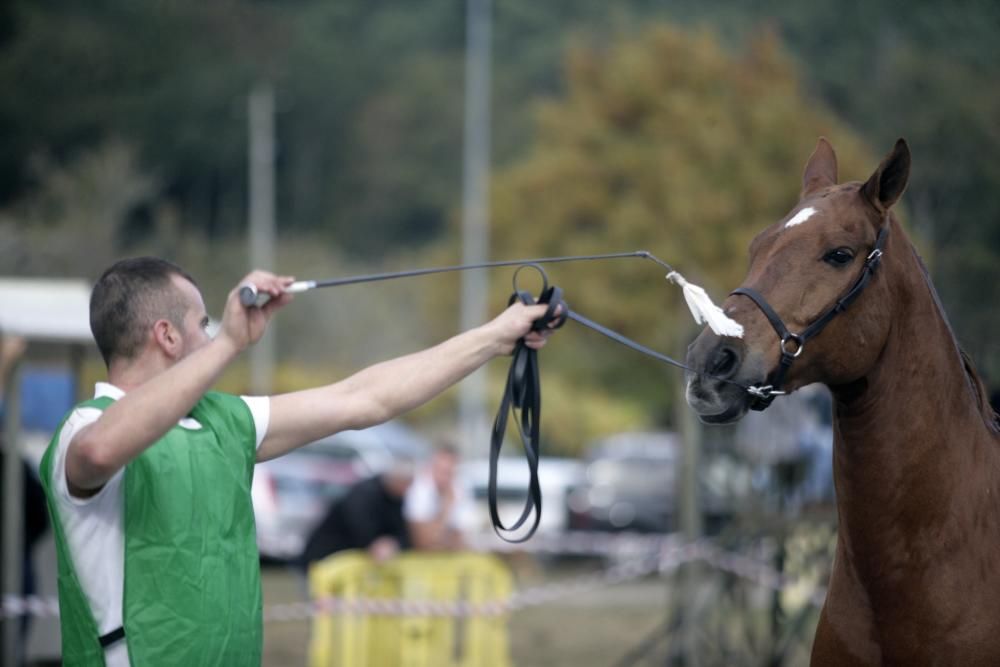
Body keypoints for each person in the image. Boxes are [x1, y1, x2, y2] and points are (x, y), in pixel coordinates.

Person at [39, 257, 557, 667]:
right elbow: (100, 451)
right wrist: (229, 345)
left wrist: (497, 336)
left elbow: (364, 398)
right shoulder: (83, 428)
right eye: (203, 323)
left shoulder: (226, 418)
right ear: (168, 337)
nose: (213, 333)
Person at [297, 458, 416, 571]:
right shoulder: (365, 494)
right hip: (325, 557)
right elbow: (362, 528)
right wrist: (376, 543)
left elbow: (402, 531)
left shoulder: (398, 499)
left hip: (350, 561)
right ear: (397, 480)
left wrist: (395, 543)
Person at [404, 444, 475, 551]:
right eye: (440, 470)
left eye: (449, 472)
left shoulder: (459, 488)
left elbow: (460, 540)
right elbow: (423, 543)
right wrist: (446, 508)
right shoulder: (419, 489)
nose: (444, 478)